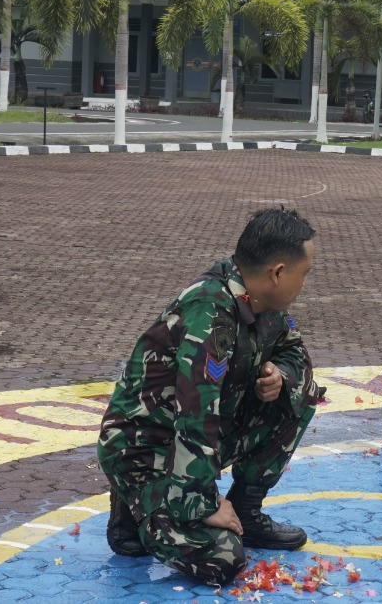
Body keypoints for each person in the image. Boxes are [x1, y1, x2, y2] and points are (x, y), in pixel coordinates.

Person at [97, 208, 322, 585]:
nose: (304, 283)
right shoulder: (211, 312)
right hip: (145, 450)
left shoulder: (262, 303)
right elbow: (196, 415)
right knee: (222, 559)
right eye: (305, 273)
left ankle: (246, 511)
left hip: (193, 441)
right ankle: (138, 505)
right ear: (278, 272)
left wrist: (280, 375)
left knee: (301, 394)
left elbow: (294, 353)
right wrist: (204, 504)